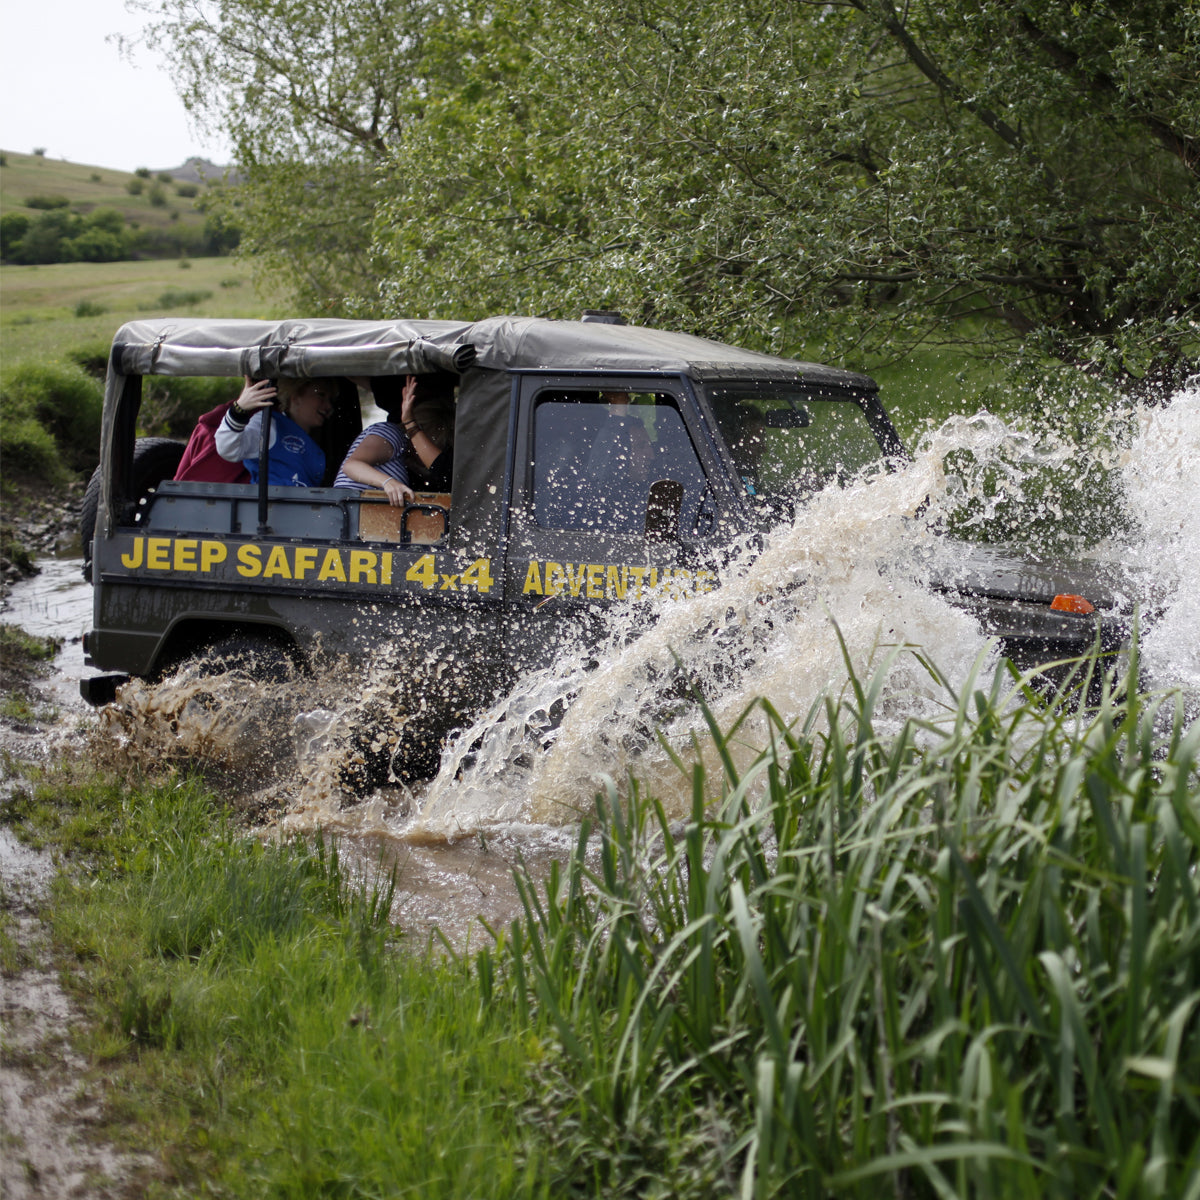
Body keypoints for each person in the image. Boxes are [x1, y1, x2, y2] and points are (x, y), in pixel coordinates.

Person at [215, 376, 334, 487]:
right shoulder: (270, 423)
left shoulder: (315, 439)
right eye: (321, 395)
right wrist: (239, 409)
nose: (328, 406)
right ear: (295, 396)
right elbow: (228, 448)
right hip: (271, 507)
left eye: (330, 399)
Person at [174, 399, 251, 484]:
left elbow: (178, 480)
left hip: (184, 492)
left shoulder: (205, 427)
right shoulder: (255, 426)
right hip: (213, 492)